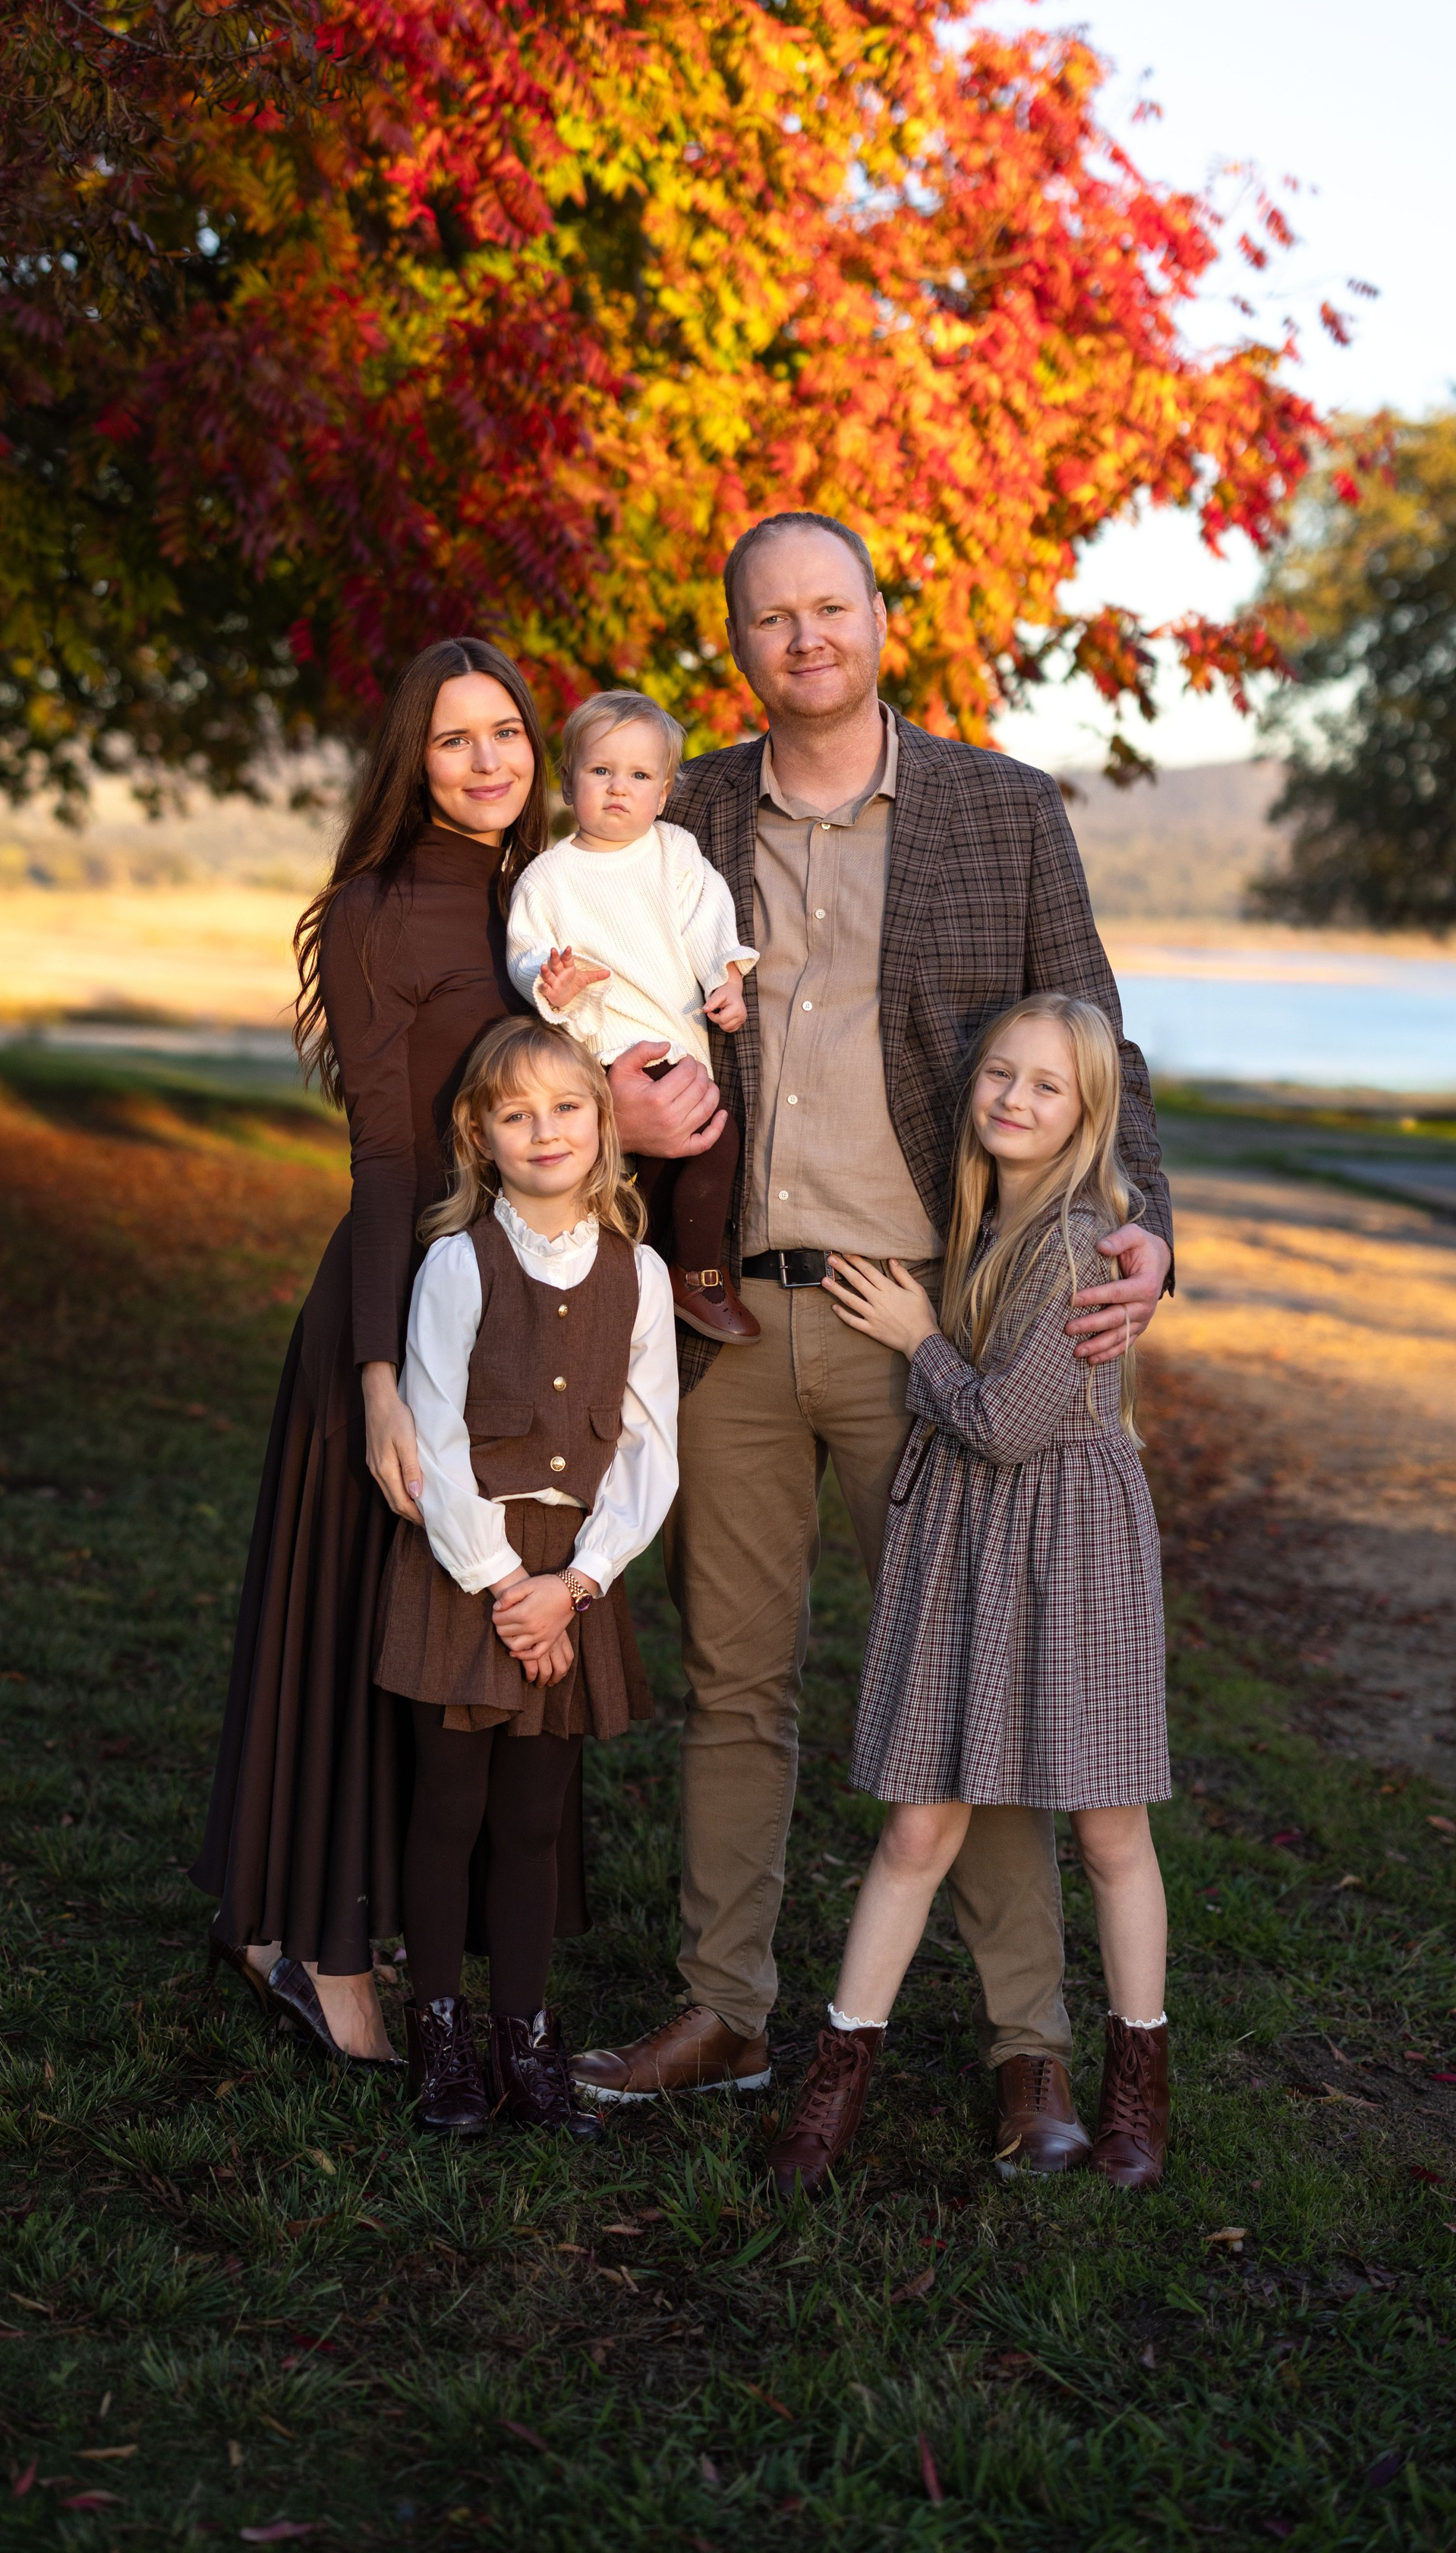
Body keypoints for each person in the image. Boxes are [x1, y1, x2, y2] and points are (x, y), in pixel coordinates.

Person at [571, 509, 1176, 2176]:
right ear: (739, 640)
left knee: (975, 1695)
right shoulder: (674, 808)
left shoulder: (999, 807)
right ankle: (722, 2008)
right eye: (769, 615)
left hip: (934, 1324)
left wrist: (1147, 1236)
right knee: (731, 1680)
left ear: (879, 615)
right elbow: (570, 997)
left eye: (829, 604)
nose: (803, 635)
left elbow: (1097, 1033)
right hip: (732, 1306)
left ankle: (1028, 2054)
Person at [191, 640, 549, 2065]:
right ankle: (318, 1945)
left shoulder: (552, 896)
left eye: (508, 731)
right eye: (455, 737)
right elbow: (387, 1152)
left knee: (469, 1638)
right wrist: (381, 1373)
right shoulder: (375, 908)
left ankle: (429, 1929)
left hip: (524, 1317)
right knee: (364, 1623)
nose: (487, 759)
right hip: (400, 1305)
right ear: (413, 757)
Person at [762, 993, 1171, 2195]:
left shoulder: (1080, 1240)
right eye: (1000, 1074)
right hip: (971, 1543)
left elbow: (1000, 1422)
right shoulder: (988, 1214)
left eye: (1048, 1086)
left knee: (1106, 1827)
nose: (1014, 1099)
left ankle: (1138, 2092)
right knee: (919, 1822)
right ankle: (835, 2077)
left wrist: (914, 1332)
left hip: (1072, 1549)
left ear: (1090, 1109)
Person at [375, 1015, 678, 2138]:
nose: (545, 1130)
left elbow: (652, 1448)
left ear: (605, 1125)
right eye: (517, 1113)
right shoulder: (457, 1263)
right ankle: (441, 2032)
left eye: (568, 1107)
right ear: (480, 1133)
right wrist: (508, 1582)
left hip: (574, 1579)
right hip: (468, 1570)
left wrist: (580, 1583)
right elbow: (432, 1435)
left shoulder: (639, 1275)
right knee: (449, 1809)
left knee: (535, 1824)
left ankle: (527, 2040)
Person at [506, 689, 761, 1346]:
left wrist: (725, 978)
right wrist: (550, 979)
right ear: (568, 783)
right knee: (707, 1139)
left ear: (664, 791)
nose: (620, 788)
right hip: (598, 1054)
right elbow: (527, 952)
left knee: (682, 1161)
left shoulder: (674, 852)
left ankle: (654, 1281)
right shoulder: (548, 877)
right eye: (601, 772)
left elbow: (709, 918)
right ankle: (695, 1277)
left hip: (676, 1042)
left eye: (639, 775)